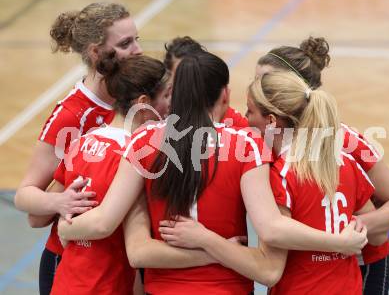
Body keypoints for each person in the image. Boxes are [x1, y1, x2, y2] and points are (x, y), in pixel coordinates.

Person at [55, 50, 368, 295]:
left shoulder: (143, 142)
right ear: (225, 95)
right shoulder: (246, 145)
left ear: (175, 94)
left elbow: (119, 238)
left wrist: (67, 229)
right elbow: (269, 254)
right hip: (227, 287)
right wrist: (220, 249)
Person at [255, 37, 389, 294]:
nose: (257, 88)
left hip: (360, 263)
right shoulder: (265, 135)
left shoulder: (344, 141)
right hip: (306, 267)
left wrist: (345, 229)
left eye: (264, 81)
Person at [14, 2, 143, 295]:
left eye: (137, 39)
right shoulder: (73, 116)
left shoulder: (138, 96)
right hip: (76, 264)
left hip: (124, 260)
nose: (137, 49)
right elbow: (26, 198)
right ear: (96, 52)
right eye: (125, 43)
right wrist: (59, 203)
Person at [28, 52, 170, 294]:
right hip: (105, 285)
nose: (172, 103)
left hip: (67, 282)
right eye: (167, 95)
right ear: (143, 103)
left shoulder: (81, 143)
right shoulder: (139, 155)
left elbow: (38, 216)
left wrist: (66, 222)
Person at [164, 36, 249, 127]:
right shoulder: (159, 113)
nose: (189, 80)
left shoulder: (234, 121)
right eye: (182, 75)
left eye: (195, 73)